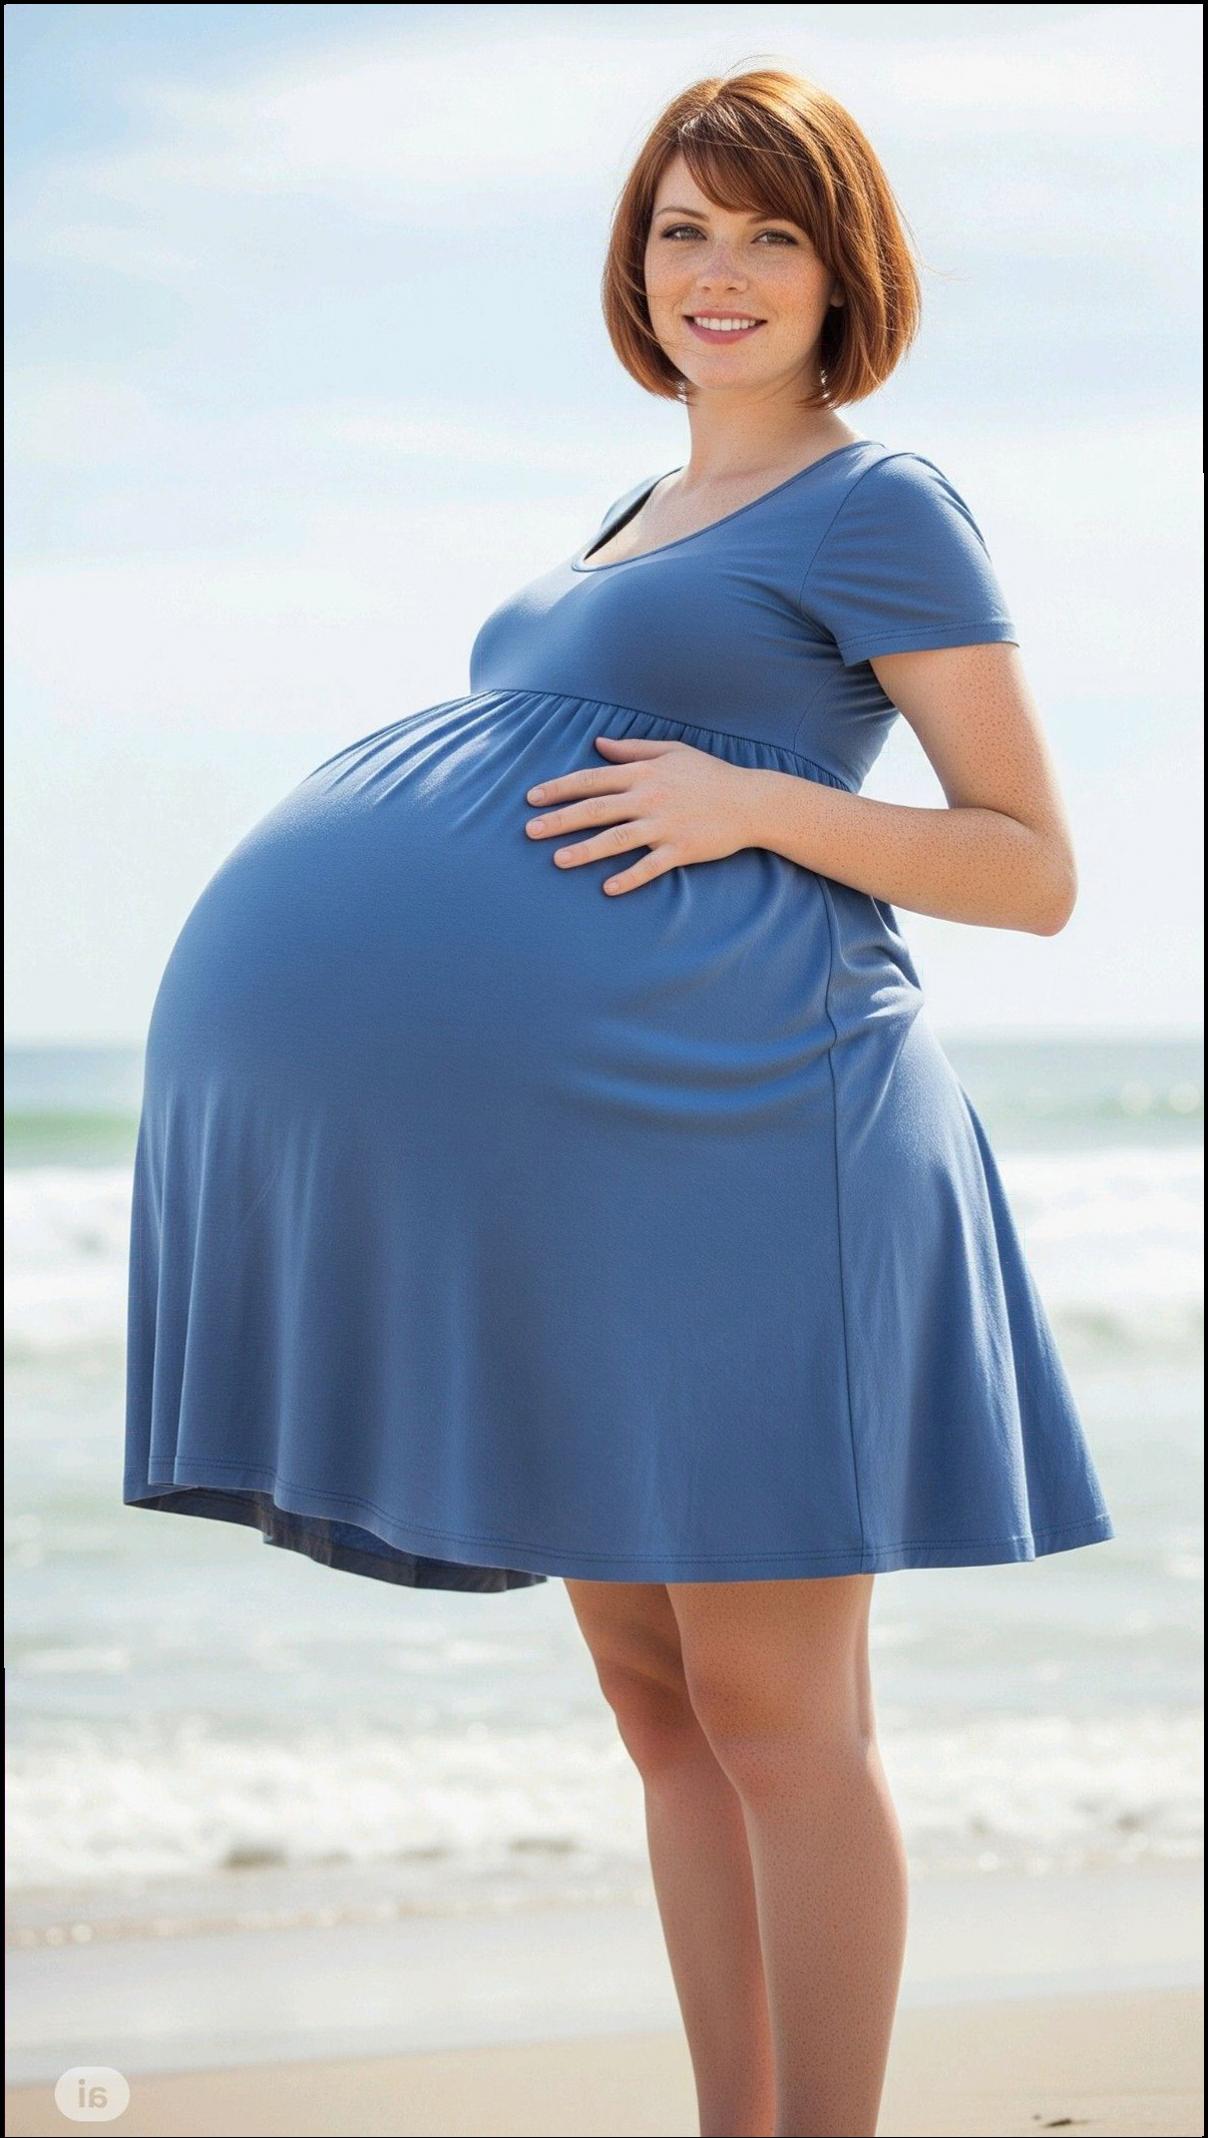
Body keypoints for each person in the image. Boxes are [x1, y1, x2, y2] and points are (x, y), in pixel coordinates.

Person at [124, 65, 1115, 2137]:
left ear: (847, 264)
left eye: (766, 231)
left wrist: (752, 796)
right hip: (603, 1187)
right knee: (660, 1709)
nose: (719, 273)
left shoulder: (881, 500)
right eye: (682, 229)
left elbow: (1027, 862)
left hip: (762, 1149)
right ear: (632, 264)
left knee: (776, 1714)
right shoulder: (635, 511)